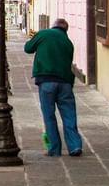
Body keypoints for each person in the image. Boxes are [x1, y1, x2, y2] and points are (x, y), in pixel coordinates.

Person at [24, 18, 83, 157]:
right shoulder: (68, 43)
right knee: (69, 115)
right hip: (65, 82)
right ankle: (75, 146)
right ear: (65, 30)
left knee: (49, 115)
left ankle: (54, 149)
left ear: (53, 26)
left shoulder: (43, 33)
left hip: (46, 81)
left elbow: (28, 48)